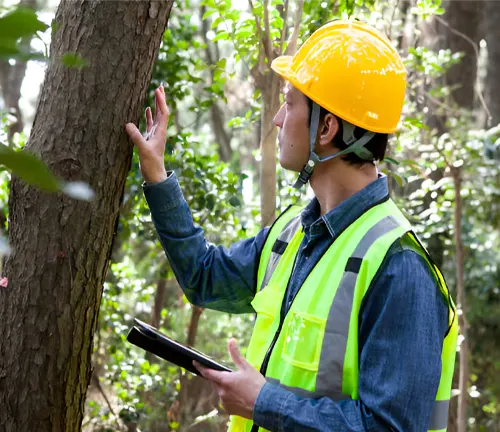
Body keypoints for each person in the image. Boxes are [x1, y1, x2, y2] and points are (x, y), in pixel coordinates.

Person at [126, 20, 458, 432]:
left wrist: (264, 402)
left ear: (326, 127)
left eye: (289, 103)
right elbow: (204, 276)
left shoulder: (399, 268)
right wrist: (156, 174)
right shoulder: (294, 233)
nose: (279, 119)